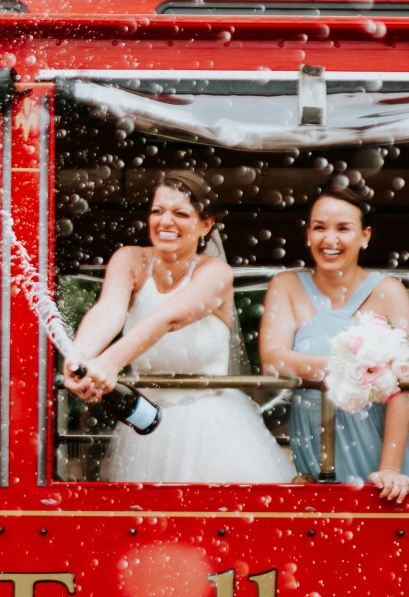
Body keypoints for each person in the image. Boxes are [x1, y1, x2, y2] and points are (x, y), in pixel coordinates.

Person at [63, 171, 294, 484]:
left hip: (212, 429)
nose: (165, 222)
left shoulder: (217, 272)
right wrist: (81, 358)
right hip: (144, 422)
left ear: (206, 224)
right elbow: (109, 309)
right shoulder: (129, 259)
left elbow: (168, 318)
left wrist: (111, 361)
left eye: (181, 213)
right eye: (158, 211)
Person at [259, 187, 409, 501]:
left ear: (365, 236)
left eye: (343, 229)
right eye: (320, 227)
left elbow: (404, 382)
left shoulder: (388, 291)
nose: (330, 239)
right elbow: (273, 359)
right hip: (316, 432)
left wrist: (390, 468)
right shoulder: (287, 285)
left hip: (378, 439)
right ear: (308, 234)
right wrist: (355, 365)